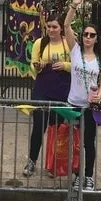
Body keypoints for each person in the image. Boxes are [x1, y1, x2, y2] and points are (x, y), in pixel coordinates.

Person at [63, 0, 101, 191]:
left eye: (92, 35)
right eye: (85, 34)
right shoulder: (75, 50)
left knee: (88, 144)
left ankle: (88, 176)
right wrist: (73, 5)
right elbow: (66, 27)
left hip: (90, 107)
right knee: (74, 144)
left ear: (97, 39)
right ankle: (76, 176)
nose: (88, 37)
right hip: (73, 104)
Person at [22, 15, 71, 177]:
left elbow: (78, 64)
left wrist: (65, 65)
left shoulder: (68, 43)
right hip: (42, 89)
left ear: (61, 28)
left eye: (55, 27)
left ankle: (54, 163)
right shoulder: (39, 43)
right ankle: (32, 160)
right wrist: (38, 66)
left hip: (62, 89)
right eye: (49, 26)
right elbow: (33, 65)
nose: (51, 30)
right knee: (38, 126)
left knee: (56, 128)